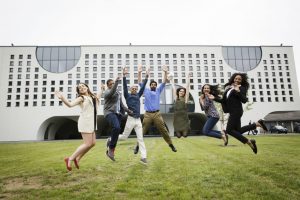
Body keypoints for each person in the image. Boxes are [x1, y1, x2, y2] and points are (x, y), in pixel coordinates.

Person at [213, 73, 268, 154]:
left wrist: (238, 91)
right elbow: (223, 101)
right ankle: (257, 124)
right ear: (233, 79)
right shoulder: (228, 88)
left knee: (229, 130)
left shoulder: (242, 88)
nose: (237, 80)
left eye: (239, 79)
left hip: (237, 111)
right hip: (232, 111)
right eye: (236, 78)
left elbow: (244, 100)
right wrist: (214, 98)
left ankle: (249, 142)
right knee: (238, 131)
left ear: (242, 81)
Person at [55, 82, 103, 171]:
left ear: (87, 87)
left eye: (83, 86)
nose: (81, 87)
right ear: (79, 91)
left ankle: (77, 159)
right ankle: (70, 159)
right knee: (87, 143)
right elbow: (70, 105)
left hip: (91, 123)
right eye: (79, 88)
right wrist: (62, 98)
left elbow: (98, 97)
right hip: (85, 122)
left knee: (93, 143)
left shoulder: (92, 97)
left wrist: (102, 89)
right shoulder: (81, 98)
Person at [134, 65, 177, 154]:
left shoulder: (158, 90)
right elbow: (139, 82)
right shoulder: (145, 91)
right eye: (152, 84)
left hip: (157, 114)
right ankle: (137, 146)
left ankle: (171, 144)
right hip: (148, 114)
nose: (153, 85)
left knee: (163, 130)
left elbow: (164, 82)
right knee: (142, 131)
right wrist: (139, 72)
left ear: (156, 86)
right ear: (150, 86)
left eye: (155, 84)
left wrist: (165, 72)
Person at [118, 66, 149, 165]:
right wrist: (124, 76)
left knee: (140, 139)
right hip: (130, 119)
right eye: (133, 88)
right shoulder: (127, 96)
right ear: (130, 90)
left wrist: (147, 76)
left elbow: (143, 86)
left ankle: (143, 157)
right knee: (124, 137)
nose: (135, 89)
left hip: (138, 120)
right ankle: (111, 139)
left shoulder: (138, 95)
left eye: (136, 88)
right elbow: (124, 86)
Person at [104, 76, 132, 161]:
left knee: (117, 130)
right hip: (109, 113)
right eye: (110, 84)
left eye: (113, 83)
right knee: (116, 127)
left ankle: (111, 143)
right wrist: (116, 82)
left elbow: (121, 105)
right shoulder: (107, 92)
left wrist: (128, 111)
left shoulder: (118, 93)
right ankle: (111, 149)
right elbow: (111, 92)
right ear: (108, 85)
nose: (112, 85)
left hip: (118, 114)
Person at [170, 72, 191, 138]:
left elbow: (187, 88)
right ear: (178, 92)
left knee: (185, 135)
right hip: (177, 118)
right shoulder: (176, 98)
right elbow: (173, 87)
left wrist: (188, 78)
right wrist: (171, 79)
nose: (182, 92)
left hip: (184, 117)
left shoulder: (185, 99)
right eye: (180, 91)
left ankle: (187, 129)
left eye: (183, 91)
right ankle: (178, 131)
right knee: (178, 136)